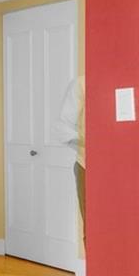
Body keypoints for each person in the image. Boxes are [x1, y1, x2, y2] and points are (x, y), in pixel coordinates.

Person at [53, 75, 86, 245]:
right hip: (87, 166)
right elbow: (62, 127)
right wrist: (89, 143)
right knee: (93, 226)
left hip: (126, 167)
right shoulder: (82, 83)